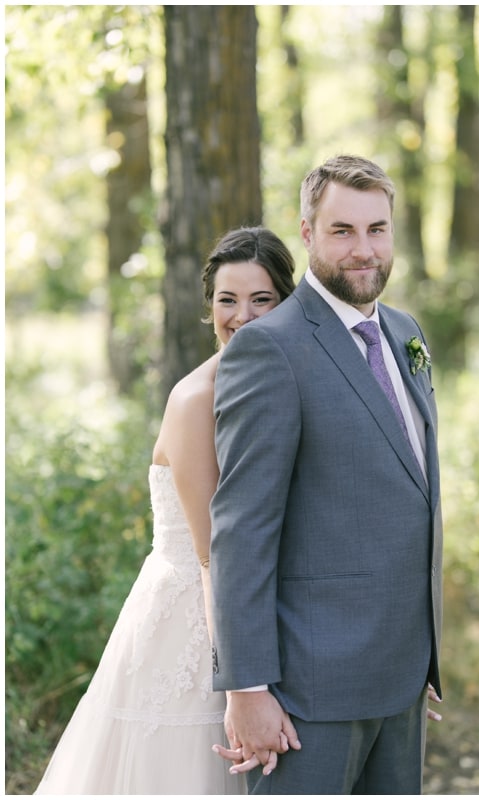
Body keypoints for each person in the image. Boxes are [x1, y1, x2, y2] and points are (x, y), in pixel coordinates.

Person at [208, 155, 443, 792]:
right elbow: (241, 530)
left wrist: (424, 658)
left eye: (377, 229)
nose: (364, 250)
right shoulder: (270, 347)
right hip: (308, 691)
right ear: (308, 232)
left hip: (400, 678)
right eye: (342, 230)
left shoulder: (403, 333)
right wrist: (247, 688)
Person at [34, 226, 297, 794]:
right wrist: (238, 683)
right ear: (209, 308)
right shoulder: (195, 400)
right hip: (195, 620)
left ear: (285, 303)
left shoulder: (274, 384)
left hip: (252, 606)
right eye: (227, 300)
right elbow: (212, 556)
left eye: (261, 299)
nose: (242, 315)